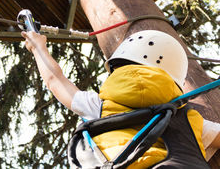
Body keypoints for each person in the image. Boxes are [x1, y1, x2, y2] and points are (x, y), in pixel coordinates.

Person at [21, 29, 220, 168]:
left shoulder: (99, 106)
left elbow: (55, 80)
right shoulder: (189, 120)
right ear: (176, 76)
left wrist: (38, 48)